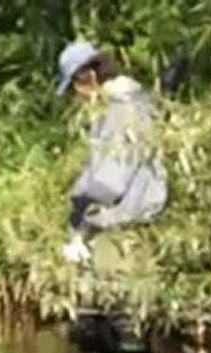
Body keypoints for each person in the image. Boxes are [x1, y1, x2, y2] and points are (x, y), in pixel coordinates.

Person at [55, 39, 168, 264]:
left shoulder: (122, 109)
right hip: (127, 218)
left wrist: (82, 212)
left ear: (87, 77)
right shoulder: (126, 102)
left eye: (73, 88)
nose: (76, 98)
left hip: (130, 222)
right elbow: (98, 165)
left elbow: (113, 176)